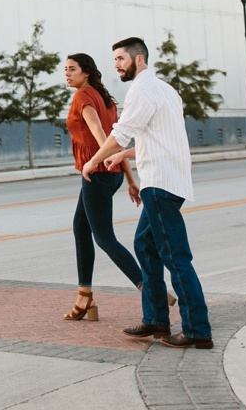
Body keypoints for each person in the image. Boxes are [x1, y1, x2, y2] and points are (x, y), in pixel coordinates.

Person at [82, 35, 212, 350]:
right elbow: (156, 138)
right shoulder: (166, 90)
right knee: (146, 245)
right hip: (171, 179)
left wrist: (93, 161)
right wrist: (122, 157)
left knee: (175, 256)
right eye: (114, 60)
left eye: (121, 59)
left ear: (139, 59)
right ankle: (155, 318)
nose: (116, 66)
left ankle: (198, 329)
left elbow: (120, 134)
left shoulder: (141, 90)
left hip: (160, 183)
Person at [60, 52, 142, 322]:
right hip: (111, 172)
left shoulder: (83, 96)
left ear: (86, 72)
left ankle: (149, 288)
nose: (67, 74)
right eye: (65, 69)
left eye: (72, 69)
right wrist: (130, 179)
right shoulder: (105, 98)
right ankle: (85, 297)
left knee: (104, 238)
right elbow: (116, 141)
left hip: (97, 172)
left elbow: (101, 136)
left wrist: (96, 162)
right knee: (80, 229)